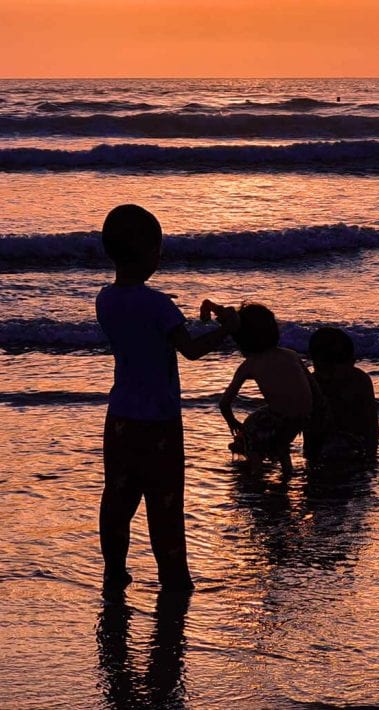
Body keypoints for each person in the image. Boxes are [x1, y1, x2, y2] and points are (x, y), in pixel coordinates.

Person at [97, 204, 234, 594]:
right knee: (165, 503)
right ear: (144, 253)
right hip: (159, 419)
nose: (160, 256)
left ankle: (115, 570)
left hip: (121, 415)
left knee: (118, 497)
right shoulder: (159, 304)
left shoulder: (105, 300)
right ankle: (174, 577)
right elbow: (190, 349)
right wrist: (228, 329)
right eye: (157, 248)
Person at [206, 301, 313, 477]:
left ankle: (255, 468)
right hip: (304, 416)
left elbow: (224, 403)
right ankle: (287, 472)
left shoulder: (250, 364)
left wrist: (233, 423)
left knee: (251, 425)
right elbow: (312, 386)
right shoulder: (291, 354)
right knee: (281, 441)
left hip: (281, 417)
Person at [304, 327, 379, 464]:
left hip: (354, 444)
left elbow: (371, 423)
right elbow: (307, 426)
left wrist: (371, 454)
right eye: (319, 369)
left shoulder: (360, 381)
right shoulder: (312, 383)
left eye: (330, 370)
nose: (326, 376)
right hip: (321, 445)